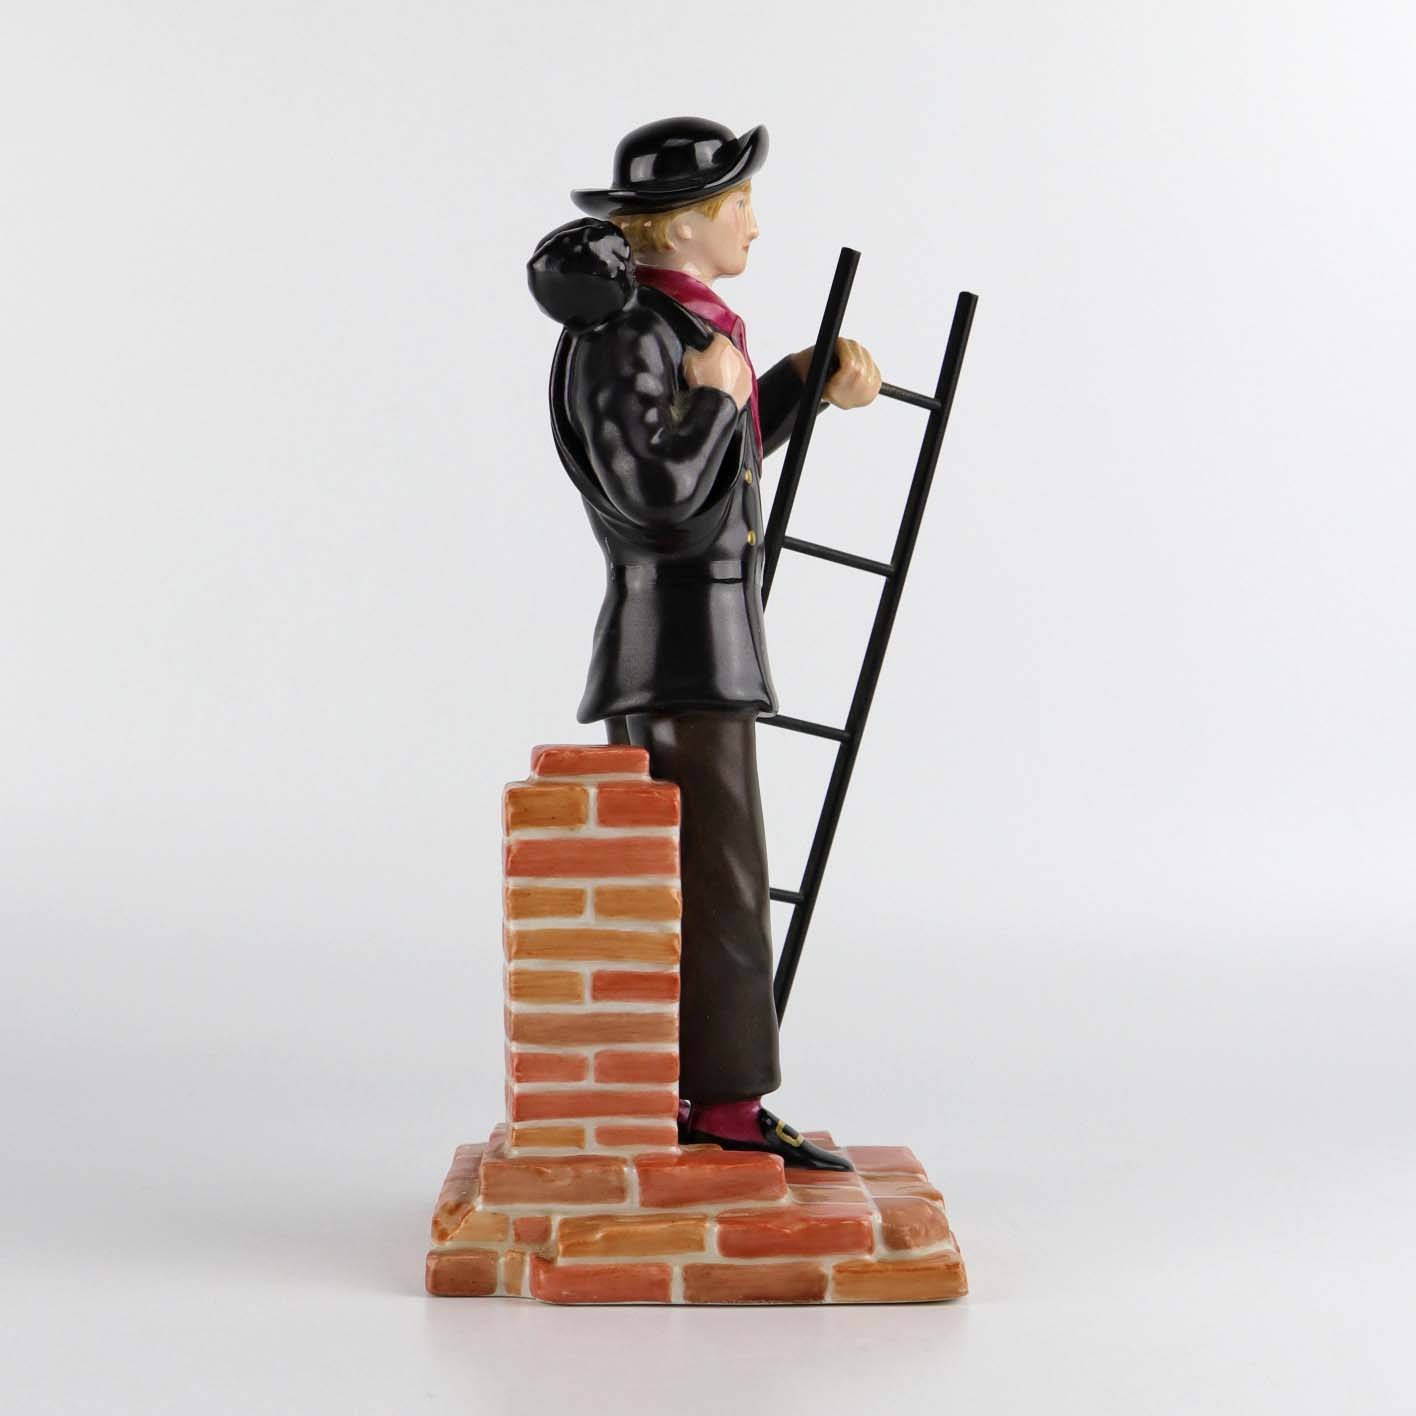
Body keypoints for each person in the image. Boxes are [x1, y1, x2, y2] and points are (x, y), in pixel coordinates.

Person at [527, 117, 880, 1169]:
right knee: (718, 882)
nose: (755, 226)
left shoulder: (674, 324)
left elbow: (718, 457)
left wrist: (795, 380)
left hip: (704, 639)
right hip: (676, 646)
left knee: (718, 874)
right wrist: (724, 397)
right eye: (739, 206)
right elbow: (658, 498)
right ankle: (722, 1108)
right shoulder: (625, 336)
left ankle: (711, 1095)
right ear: (685, 225)